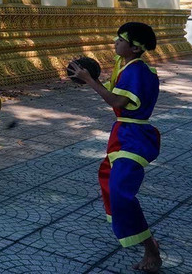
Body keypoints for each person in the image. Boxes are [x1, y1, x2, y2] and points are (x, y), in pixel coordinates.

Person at [69, 22, 162, 273]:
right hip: (123, 134)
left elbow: (116, 100)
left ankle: (151, 249)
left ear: (135, 48)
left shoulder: (137, 71)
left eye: (120, 39)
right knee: (109, 181)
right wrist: (91, 76)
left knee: (120, 191)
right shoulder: (126, 65)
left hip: (136, 137)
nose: (115, 42)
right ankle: (141, 237)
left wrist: (89, 80)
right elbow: (112, 91)